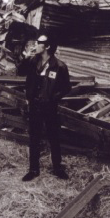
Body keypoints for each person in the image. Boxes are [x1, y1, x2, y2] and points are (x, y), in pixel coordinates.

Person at [18, 33, 71, 181]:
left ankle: (57, 168)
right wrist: (25, 57)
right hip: (34, 105)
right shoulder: (32, 62)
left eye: (38, 43)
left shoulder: (59, 66)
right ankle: (33, 170)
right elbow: (21, 72)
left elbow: (66, 88)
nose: (35, 45)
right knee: (34, 137)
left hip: (49, 107)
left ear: (47, 46)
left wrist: (53, 98)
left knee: (53, 137)